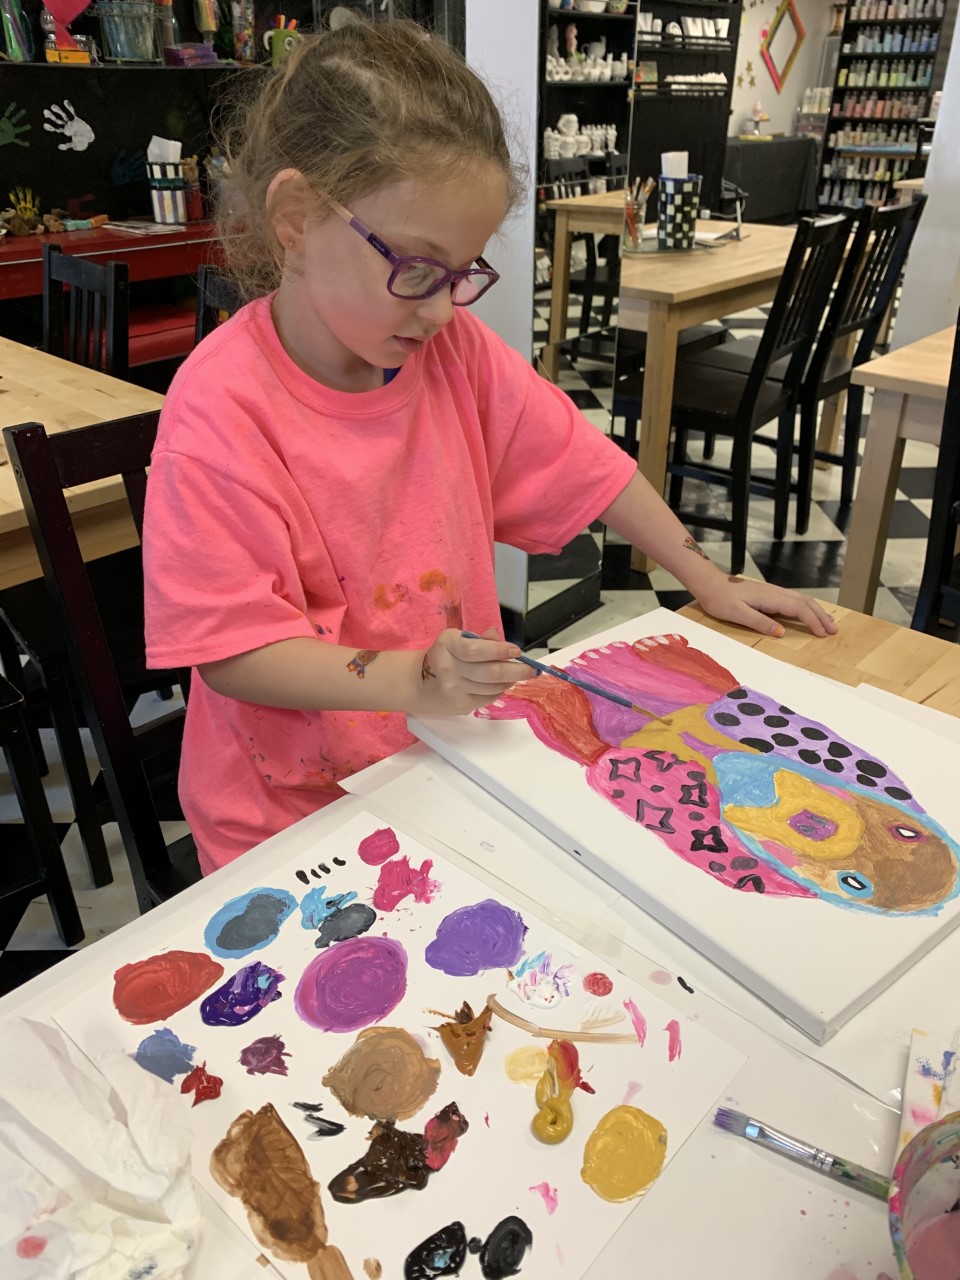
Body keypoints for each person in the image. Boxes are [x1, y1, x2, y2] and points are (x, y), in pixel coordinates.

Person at [143, 20, 837, 875]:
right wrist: (410, 682)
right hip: (288, 821)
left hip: (442, 768)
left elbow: (588, 467)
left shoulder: (449, 356)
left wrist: (705, 576)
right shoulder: (221, 411)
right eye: (417, 269)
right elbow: (234, 653)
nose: (442, 310)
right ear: (295, 217)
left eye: (464, 272)